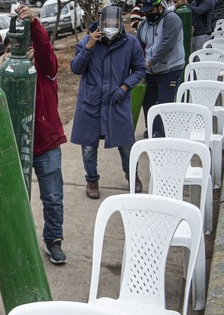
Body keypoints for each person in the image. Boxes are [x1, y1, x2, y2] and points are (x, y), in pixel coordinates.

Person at [0, 4, 68, 264]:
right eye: (9, 48)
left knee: (52, 197)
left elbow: (45, 50)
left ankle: (54, 240)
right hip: (15, 147)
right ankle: (15, 244)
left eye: (21, 45)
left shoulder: (44, 69)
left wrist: (34, 24)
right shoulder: (2, 75)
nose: (15, 52)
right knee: (14, 200)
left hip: (46, 144)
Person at [70, 5, 146, 199]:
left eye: (115, 22)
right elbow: (76, 68)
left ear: (121, 22)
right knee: (88, 146)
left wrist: (124, 87)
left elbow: (139, 69)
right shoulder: (88, 40)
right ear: (101, 21)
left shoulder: (130, 43)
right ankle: (92, 180)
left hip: (116, 101)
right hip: (91, 102)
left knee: (126, 143)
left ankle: (132, 175)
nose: (111, 25)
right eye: (107, 22)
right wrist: (88, 48)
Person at [137, 0, 185, 138]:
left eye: (150, 11)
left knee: (164, 102)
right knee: (148, 102)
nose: (147, 14)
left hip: (170, 69)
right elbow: (139, 45)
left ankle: (162, 134)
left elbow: (167, 45)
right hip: (150, 71)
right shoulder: (143, 25)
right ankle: (151, 128)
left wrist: (149, 62)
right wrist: (138, 63)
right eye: (145, 12)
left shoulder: (172, 20)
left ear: (159, 7)